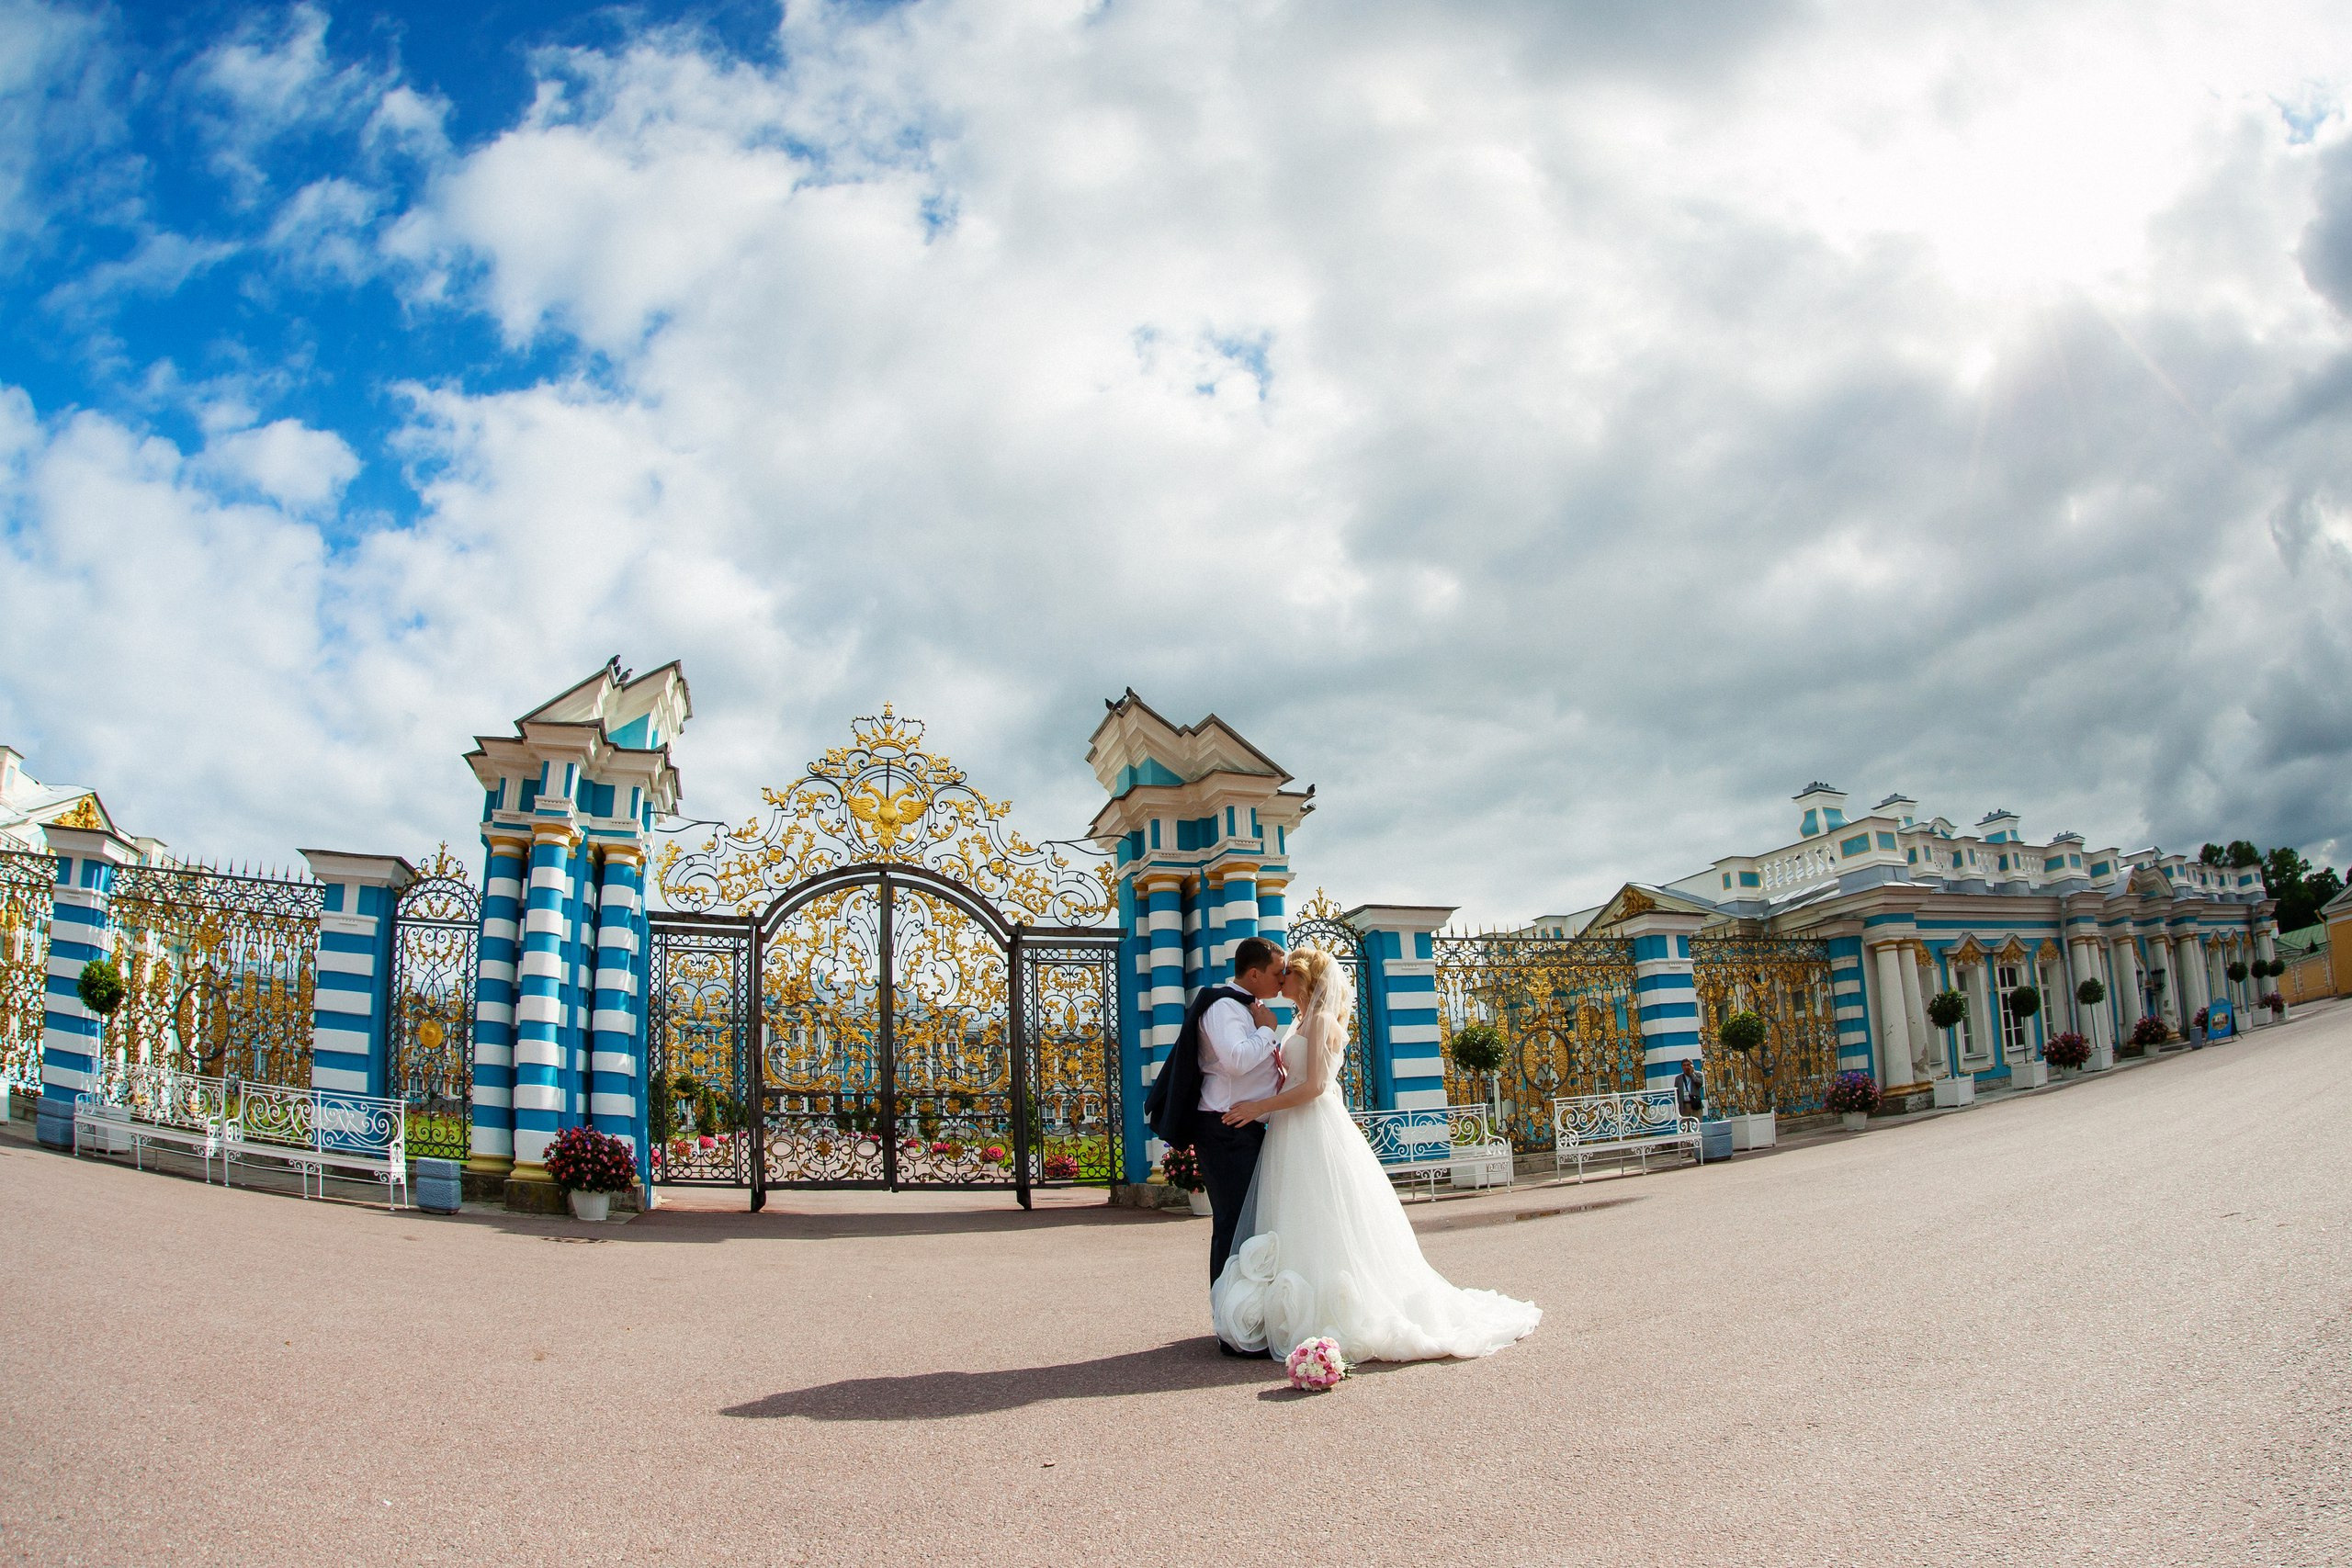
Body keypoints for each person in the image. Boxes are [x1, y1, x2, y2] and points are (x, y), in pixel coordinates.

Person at [1208, 944, 1541, 1364]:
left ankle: (1340, 1308)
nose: (1282, 977)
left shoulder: (1324, 1020)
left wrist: (1258, 1108)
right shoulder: (1297, 1020)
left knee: (1327, 1214)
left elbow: (1312, 1088)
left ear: (1305, 979)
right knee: (1296, 1212)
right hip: (1289, 1130)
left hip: (1313, 1125)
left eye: (1288, 972)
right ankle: (1292, 1311)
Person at [1141, 934, 1288, 1354]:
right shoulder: (1225, 1007)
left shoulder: (1245, 1007)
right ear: (1255, 973)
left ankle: (1246, 1318)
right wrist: (1268, 1033)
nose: (1282, 980)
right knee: (1232, 1224)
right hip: (1225, 1129)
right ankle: (1231, 1328)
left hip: (1240, 1127)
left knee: (1248, 1223)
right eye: (1277, 973)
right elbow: (1237, 1059)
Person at [1676, 1056, 1705, 1121]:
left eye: (1688, 1065)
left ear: (1692, 1066)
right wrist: (1676, 1105)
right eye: (1684, 1065)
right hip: (1684, 1106)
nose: (1686, 1067)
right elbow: (1676, 1093)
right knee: (1685, 1126)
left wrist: (1692, 1074)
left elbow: (1699, 1084)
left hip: (1695, 1105)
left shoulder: (1698, 1074)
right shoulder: (1678, 1078)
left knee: (1697, 1124)